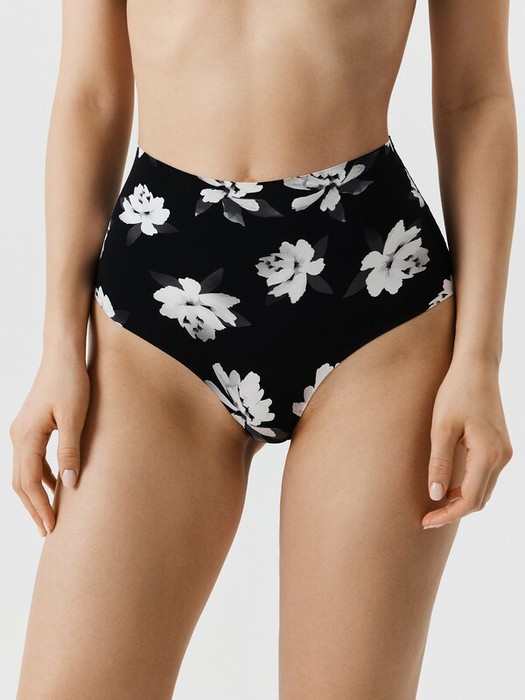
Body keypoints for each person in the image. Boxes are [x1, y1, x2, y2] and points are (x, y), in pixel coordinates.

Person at [10, 1, 516, 698]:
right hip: (154, 326)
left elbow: (475, 96)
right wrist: (58, 347)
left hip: (374, 306)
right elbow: (89, 96)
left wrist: (480, 361)